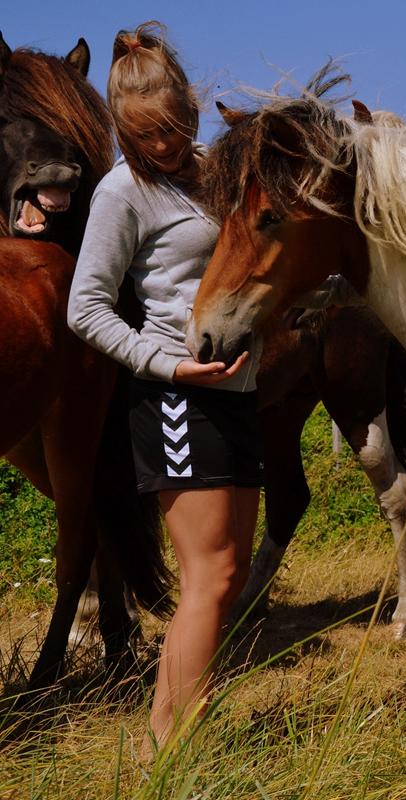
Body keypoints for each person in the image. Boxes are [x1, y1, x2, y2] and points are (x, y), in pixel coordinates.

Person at [67, 21, 261, 756]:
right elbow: (84, 307)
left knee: (230, 575)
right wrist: (170, 367)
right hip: (176, 398)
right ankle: (161, 748)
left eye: (176, 125)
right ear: (123, 130)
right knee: (207, 576)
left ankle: (188, 728)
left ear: (192, 105)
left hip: (240, 393)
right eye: (147, 135)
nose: (165, 144)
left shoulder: (218, 169)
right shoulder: (122, 193)